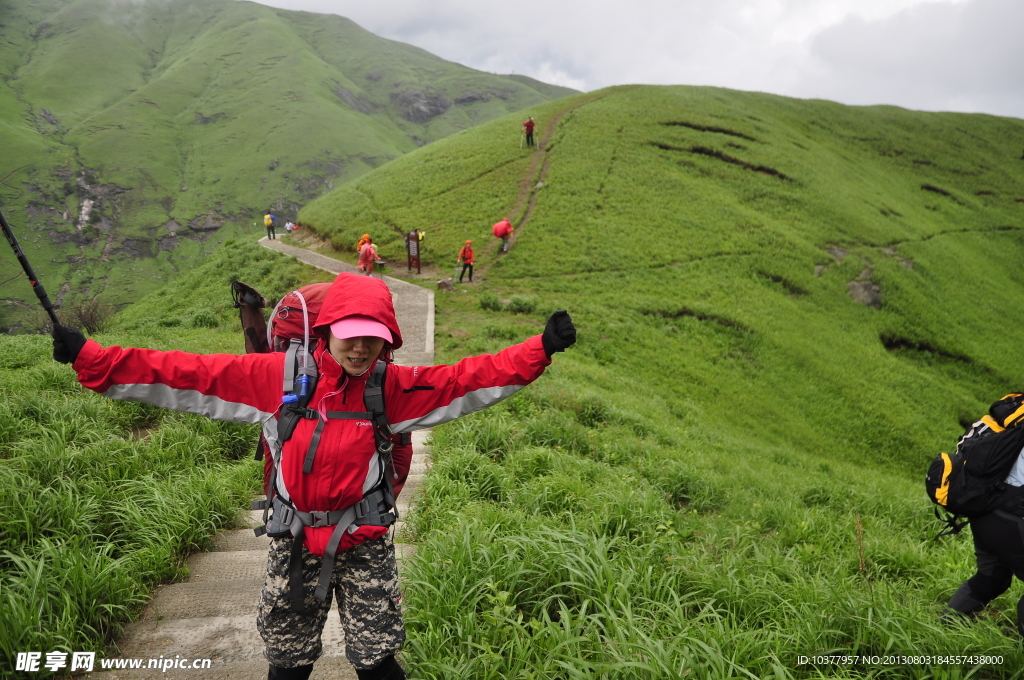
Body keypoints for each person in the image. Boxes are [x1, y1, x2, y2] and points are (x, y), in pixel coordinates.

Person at [51, 272, 578, 680]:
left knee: (375, 658)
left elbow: (468, 379)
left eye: (372, 339)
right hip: (294, 539)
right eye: (349, 337)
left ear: (387, 339)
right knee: (288, 656)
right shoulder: (278, 379)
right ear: (328, 333)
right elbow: (187, 372)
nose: (359, 349)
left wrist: (539, 349)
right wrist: (94, 359)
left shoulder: (391, 388)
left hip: (363, 540)